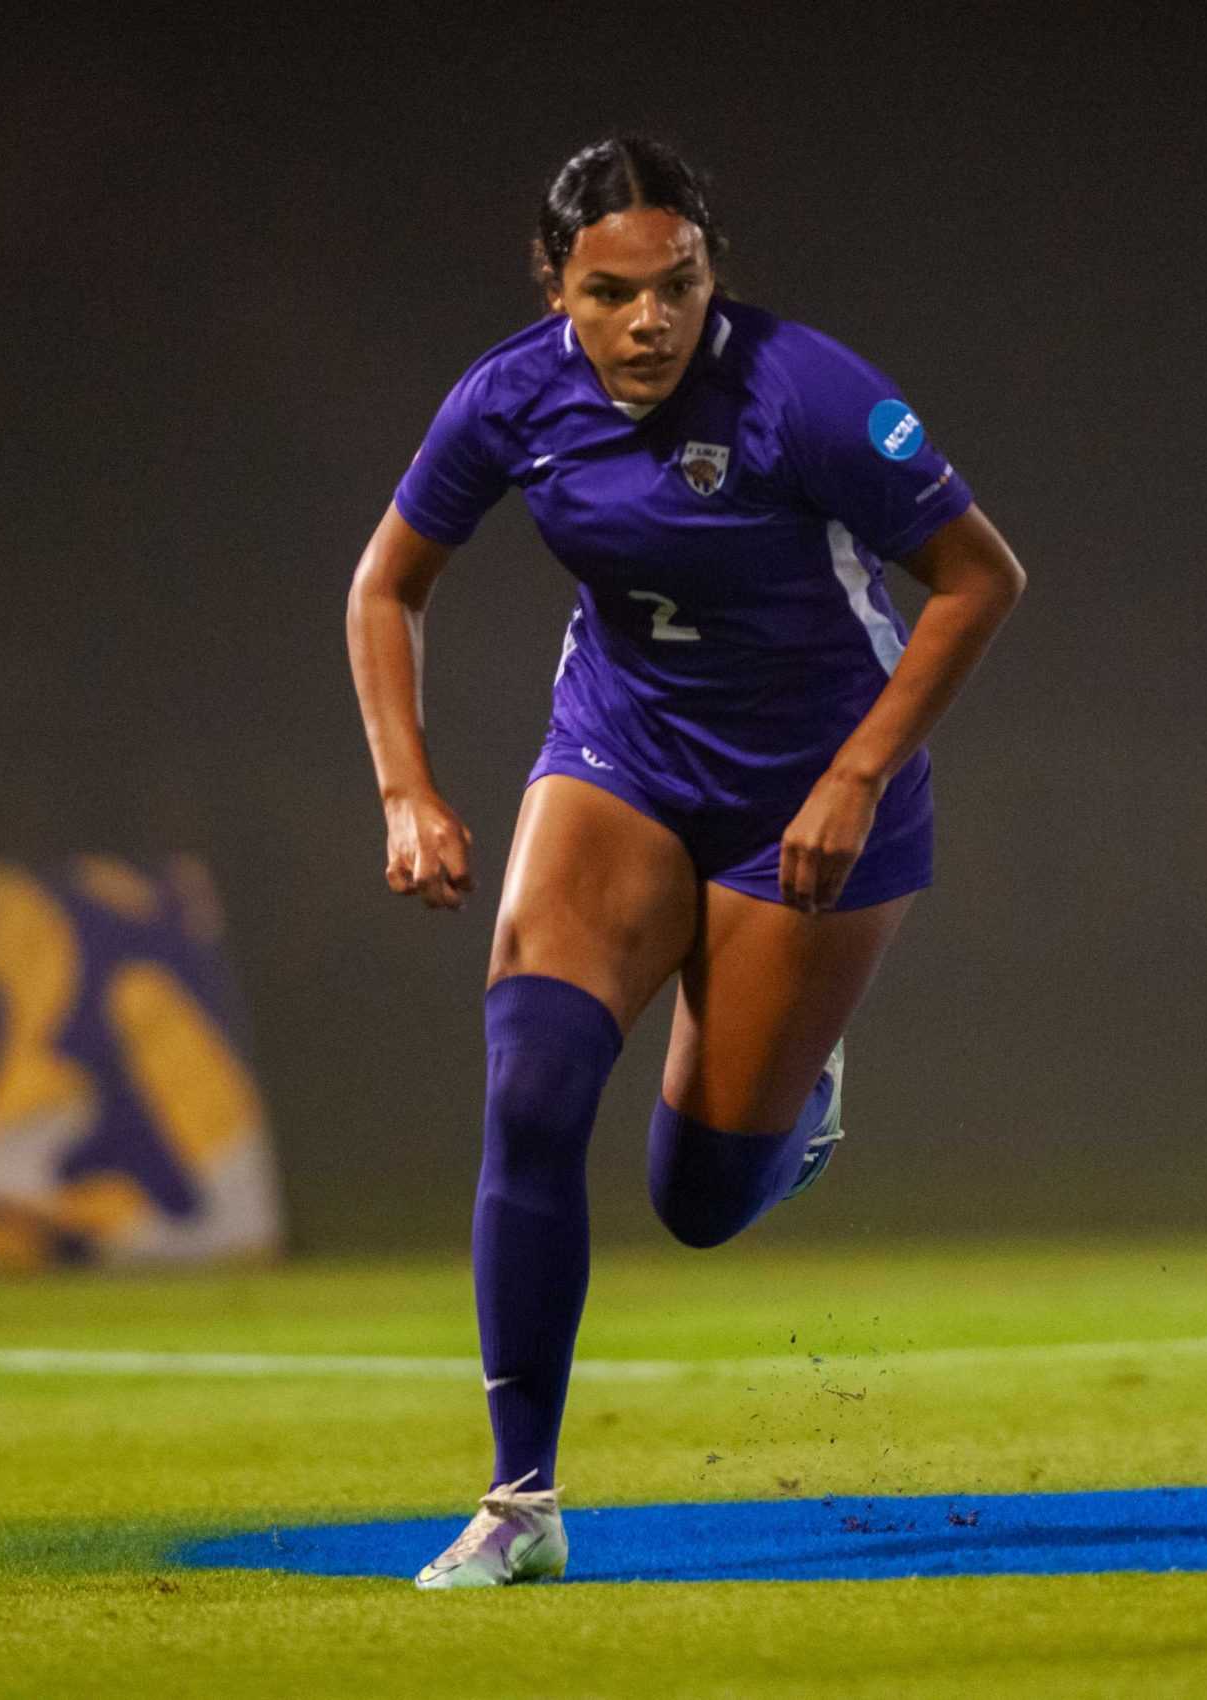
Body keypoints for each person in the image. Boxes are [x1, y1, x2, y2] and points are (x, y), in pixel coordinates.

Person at [344, 136, 1026, 1589]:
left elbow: (982, 580)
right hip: (623, 762)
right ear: (556, 292)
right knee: (529, 1090)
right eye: (611, 292)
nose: (650, 321)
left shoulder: (810, 393)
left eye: (679, 285)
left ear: (713, 272)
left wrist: (859, 773)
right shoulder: (512, 397)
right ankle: (520, 1503)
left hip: (816, 799)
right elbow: (386, 581)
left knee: (698, 1202)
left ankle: (800, 1100)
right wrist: (407, 790)